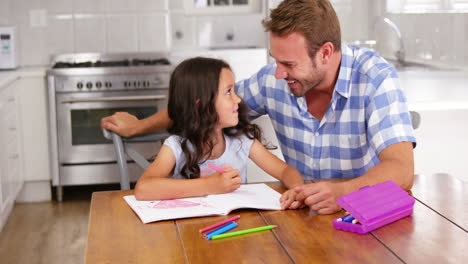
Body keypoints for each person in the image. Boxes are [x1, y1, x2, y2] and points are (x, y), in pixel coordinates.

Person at [102, 0, 416, 214]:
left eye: (288, 63)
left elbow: (401, 170)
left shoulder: (375, 79)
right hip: (298, 212)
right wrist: (140, 126)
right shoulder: (273, 81)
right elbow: (202, 105)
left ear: (325, 53)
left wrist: (343, 193)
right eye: (275, 60)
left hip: (360, 216)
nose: (279, 73)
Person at [133, 57, 304, 209]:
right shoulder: (176, 147)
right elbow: (143, 188)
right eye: (228, 92)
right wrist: (208, 185)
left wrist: (297, 190)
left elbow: (285, 172)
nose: (237, 99)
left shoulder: (242, 141)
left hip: (233, 226)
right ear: (202, 105)